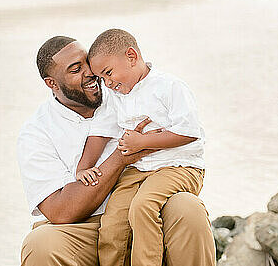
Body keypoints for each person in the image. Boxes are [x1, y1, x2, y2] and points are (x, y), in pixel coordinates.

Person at [17, 36, 215, 266]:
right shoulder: (36, 132)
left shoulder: (122, 88)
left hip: (145, 207)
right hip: (82, 228)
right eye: (76, 69)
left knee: (187, 209)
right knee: (41, 243)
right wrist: (120, 158)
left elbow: (186, 132)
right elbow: (60, 212)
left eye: (88, 63)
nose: (91, 73)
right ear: (52, 83)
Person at [76, 29, 205, 266]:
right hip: (138, 170)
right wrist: (83, 167)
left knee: (142, 207)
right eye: (102, 79)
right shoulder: (116, 96)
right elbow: (99, 132)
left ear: (132, 57)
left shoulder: (169, 87)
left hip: (177, 166)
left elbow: (189, 132)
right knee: (113, 220)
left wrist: (142, 142)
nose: (107, 83)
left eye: (108, 73)